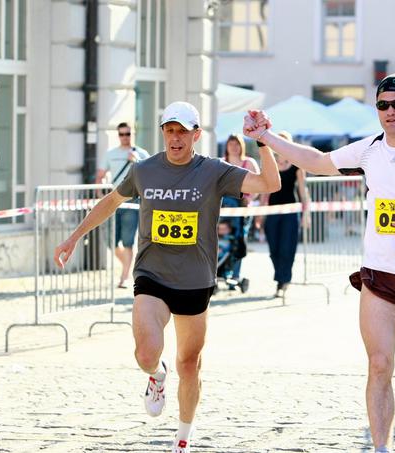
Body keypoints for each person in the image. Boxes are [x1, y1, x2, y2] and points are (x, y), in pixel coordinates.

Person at [243, 73, 395, 452]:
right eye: (383, 105)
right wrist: (266, 138)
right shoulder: (370, 149)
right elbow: (319, 161)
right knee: (378, 363)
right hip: (379, 274)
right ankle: (381, 447)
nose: (390, 112)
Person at [55, 101, 280, 453]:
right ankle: (156, 376)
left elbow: (270, 181)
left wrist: (262, 141)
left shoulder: (213, 171)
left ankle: (182, 439)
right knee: (147, 352)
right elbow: (111, 202)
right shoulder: (144, 170)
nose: (175, 139)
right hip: (152, 275)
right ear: (162, 133)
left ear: (196, 135)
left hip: (195, 280)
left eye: (182, 132)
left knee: (189, 365)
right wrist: (74, 237)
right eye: (169, 131)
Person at [95, 122, 150, 288]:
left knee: (127, 240)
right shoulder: (110, 153)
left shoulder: (142, 154)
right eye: (122, 134)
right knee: (110, 240)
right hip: (114, 199)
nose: (125, 137)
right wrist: (100, 195)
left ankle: (125, 277)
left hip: (132, 200)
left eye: (128, 134)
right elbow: (100, 175)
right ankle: (128, 265)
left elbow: (150, 176)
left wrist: (137, 162)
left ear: (133, 133)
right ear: (118, 135)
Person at [259, 131, 310, 298]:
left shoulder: (297, 165)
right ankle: (281, 277)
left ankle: (283, 281)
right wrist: (259, 213)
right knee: (274, 249)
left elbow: (303, 191)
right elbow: (264, 191)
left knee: (287, 248)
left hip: (291, 212)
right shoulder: (269, 163)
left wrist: (306, 214)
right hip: (272, 212)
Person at [220, 134, 259, 283]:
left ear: (241, 146)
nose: (234, 148)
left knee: (239, 239)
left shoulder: (249, 163)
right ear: (227, 147)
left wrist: (249, 199)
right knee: (222, 240)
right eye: (231, 144)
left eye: (237, 144)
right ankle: (221, 270)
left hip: (242, 209)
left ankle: (235, 274)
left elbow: (258, 184)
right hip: (224, 210)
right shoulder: (222, 163)